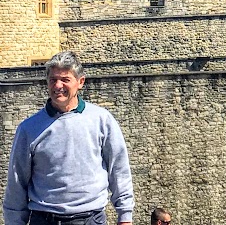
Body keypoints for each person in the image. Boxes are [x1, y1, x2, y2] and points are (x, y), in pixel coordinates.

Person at [3, 50, 134, 225]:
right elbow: (17, 181)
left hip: (90, 219)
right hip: (44, 219)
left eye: (65, 79)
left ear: (80, 82)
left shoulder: (101, 120)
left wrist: (125, 216)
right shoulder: (28, 128)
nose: (58, 86)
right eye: (53, 80)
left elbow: (119, 169)